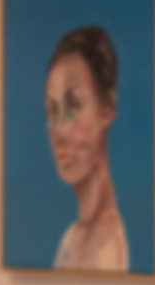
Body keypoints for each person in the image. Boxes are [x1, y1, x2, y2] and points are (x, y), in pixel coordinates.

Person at [42, 23, 131, 272]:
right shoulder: (72, 238)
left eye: (73, 107)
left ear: (107, 108)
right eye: (52, 111)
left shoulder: (107, 245)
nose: (59, 132)